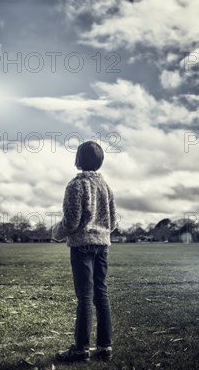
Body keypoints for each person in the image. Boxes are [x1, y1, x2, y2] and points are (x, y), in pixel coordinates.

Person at [52, 140, 117, 363]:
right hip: (102, 245)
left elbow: (70, 223)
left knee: (85, 298)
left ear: (78, 159)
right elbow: (114, 221)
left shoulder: (75, 185)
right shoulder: (106, 186)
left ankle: (80, 349)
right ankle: (105, 347)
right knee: (102, 294)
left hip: (82, 247)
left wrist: (56, 232)